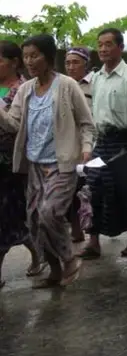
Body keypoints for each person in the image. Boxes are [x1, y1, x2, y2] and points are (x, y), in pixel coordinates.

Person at [0, 34, 95, 288]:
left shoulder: (66, 86)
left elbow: (87, 124)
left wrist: (86, 148)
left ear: (49, 57)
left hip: (61, 165)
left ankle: (69, 258)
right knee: (33, 222)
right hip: (34, 166)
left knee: (49, 213)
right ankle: (54, 271)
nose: (29, 61)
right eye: (27, 57)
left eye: (35, 56)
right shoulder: (25, 89)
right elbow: (14, 124)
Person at [78, 29, 127, 259]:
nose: (103, 49)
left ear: (121, 47)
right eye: (100, 45)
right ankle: (93, 241)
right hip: (103, 142)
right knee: (92, 186)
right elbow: (93, 115)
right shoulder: (97, 78)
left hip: (126, 142)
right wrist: (90, 145)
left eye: (108, 44)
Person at [0, 41, 44, 288]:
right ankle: (36, 249)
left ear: (14, 62)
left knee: (7, 216)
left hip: (11, 163)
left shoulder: (23, 90)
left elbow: (18, 127)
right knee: (13, 221)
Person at [64, 47, 94, 244]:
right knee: (69, 191)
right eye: (67, 63)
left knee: (89, 191)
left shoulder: (95, 85)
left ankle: (93, 235)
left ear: (86, 64)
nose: (71, 67)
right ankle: (76, 228)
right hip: (67, 147)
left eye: (76, 62)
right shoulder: (62, 86)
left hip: (91, 146)